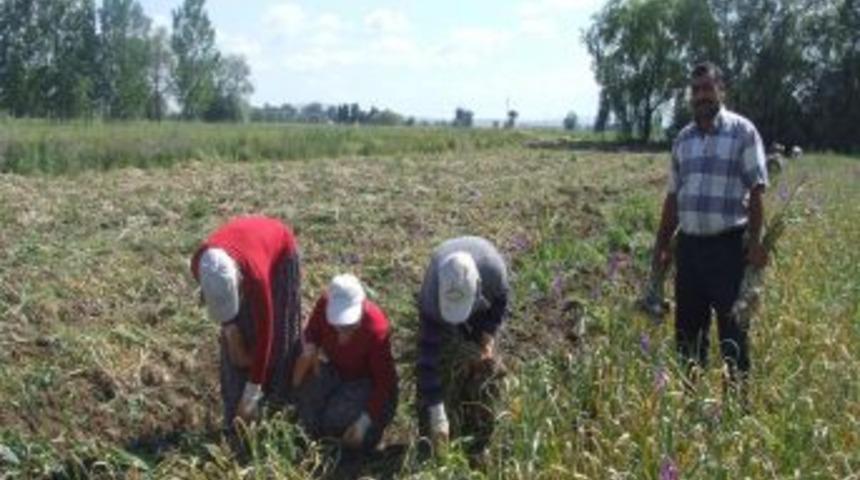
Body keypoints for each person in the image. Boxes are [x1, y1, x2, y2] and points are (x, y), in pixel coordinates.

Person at [653, 62, 768, 395]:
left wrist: (756, 243)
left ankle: (737, 408)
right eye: (696, 90)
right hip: (689, 250)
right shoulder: (683, 139)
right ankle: (691, 403)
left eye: (707, 88)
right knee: (688, 333)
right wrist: (661, 244)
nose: (701, 95)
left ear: (721, 90)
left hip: (729, 249)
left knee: (733, 330)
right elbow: (673, 197)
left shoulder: (742, 132)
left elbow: (757, 189)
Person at [190, 216, 301, 431]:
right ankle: (235, 402)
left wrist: (251, 395)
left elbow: (266, 334)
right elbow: (216, 298)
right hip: (247, 247)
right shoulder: (201, 262)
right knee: (237, 341)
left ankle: (278, 401)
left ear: (239, 281)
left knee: (279, 339)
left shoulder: (257, 277)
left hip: (279, 253)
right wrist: (230, 330)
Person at [415, 236, 510, 454]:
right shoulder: (431, 299)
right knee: (442, 368)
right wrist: (438, 416)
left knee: (485, 368)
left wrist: (487, 336)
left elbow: (500, 302)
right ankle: (432, 436)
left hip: (481, 293)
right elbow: (427, 360)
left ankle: (481, 434)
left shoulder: (493, 272)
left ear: (478, 288)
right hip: (442, 304)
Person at [292, 274, 398, 451]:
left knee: (334, 418)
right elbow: (312, 331)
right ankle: (314, 439)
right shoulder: (324, 304)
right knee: (308, 410)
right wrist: (310, 347)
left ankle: (364, 436)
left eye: (349, 327)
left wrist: (364, 422)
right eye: (337, 327)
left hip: (366, 383)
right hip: (337, 371)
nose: (342, 335)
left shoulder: (376, 329)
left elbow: (384, 384)